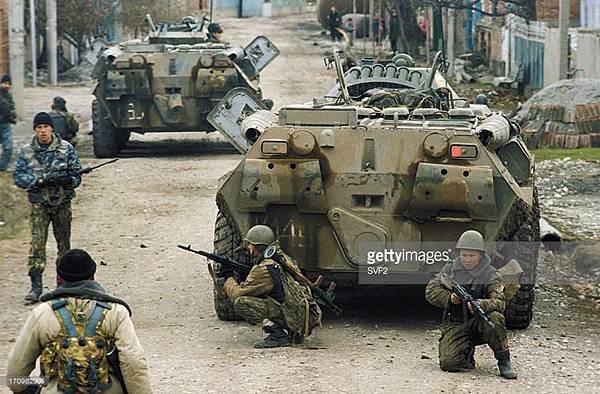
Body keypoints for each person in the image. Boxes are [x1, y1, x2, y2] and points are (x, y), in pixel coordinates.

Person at [6, 249, 152, 393]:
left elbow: (15, 375)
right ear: (93, 276)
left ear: (59, 278)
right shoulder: (116, 312)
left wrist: (32, 386)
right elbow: (133, 364)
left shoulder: (42, 313)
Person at [425, 230, 518, 379]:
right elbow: (431, 291)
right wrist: (449, 297)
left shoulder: (490, 274)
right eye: (464, 255)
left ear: (480, 255)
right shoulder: (451, 269)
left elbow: (500, 303)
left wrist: (480, 304)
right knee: (449, 364)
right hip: (456, 322)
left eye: (472, 256)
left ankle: (503, 360)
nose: (467, 260)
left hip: (479, 321)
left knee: (494, 319)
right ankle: (466, 353)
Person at [13, 112, 82, 302]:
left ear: (52, 128)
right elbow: (18, 176)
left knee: (64, 245)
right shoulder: (26, 151)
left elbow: (77, 174)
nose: (43, 131)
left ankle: (64, 284)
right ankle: (36, 286)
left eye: (45, 127)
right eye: (39, 127)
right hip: (39, 205)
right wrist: (39, 180)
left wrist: (70, 182)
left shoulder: (66, 149)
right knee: (37, 245)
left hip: (62, 203)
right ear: (35, 130)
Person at [221, 225, 322, 348]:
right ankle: (290, 330)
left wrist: (228, 277)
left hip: (293, 315)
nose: (248, 247)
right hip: (299, 313)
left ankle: (278, 335)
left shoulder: (263, 268)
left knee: (241, 302)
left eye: (250, 244)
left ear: (257, 246)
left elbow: (237, 293)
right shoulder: (282, 258)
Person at [0, 74, 17, 171]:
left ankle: (2, 167)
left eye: (9, 84)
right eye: (5, 83)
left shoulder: (8, 95)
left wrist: (13, 116)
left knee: (8, 147)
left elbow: (12, 108)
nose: (7, 86)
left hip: (5, 124)